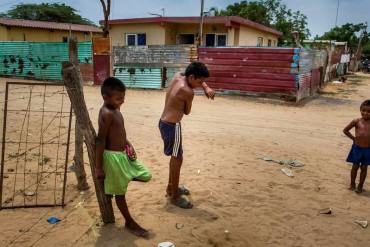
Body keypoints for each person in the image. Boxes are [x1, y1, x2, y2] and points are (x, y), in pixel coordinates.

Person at [95, 77, 151, 237]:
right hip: (112, 158)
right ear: (105, 97)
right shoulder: (106, 113)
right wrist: (98, 167)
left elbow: (120, 133)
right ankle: (129, 222)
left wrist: (129, 144)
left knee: (146, 175)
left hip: (123, 155)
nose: (122, 101)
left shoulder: (116, 110)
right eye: (119, 98)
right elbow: (101, 140)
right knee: (120, 194)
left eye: (123, 98)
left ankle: (119, 180)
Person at [159, 61, 215, 208]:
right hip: (173, 126)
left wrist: (206, 86)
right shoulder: (188, 92)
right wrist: (199, 92)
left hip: (163, 123)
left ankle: (172, 187)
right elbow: (187, 111)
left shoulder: (178, 76)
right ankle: (175, 196)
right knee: (177, 158)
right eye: (200, 81)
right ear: (191, 77)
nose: (201, 84)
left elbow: (190, 76)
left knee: (175, 157)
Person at [343, 99, 370, 193]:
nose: (366, 113)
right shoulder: (356, 121)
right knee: (355, 166)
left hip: (368, 150)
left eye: (369, 111)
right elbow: (345, 130)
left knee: (364, 168)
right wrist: (353, 138)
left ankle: (360, 186)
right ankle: (352, 184)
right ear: (360, 110)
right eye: (363, 110)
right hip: (357, 148)